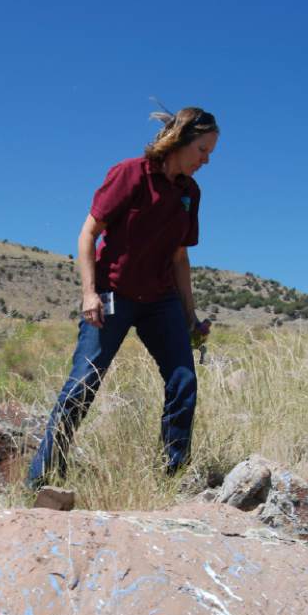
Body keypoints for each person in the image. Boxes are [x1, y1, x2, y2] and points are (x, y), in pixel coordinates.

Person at [28, 106, 219, 490]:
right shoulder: (130, 173)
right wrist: (89, 294)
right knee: (84, 382)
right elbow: (88, 234)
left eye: (210, 153)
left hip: (161, 300)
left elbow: (180, 257)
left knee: (183, 380)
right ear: (181, 141)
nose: (206, 160)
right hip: (112, 295)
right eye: (202, 150)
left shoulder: (189, 193)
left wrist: (190, 316)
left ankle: (172, 476)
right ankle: (43, 478)